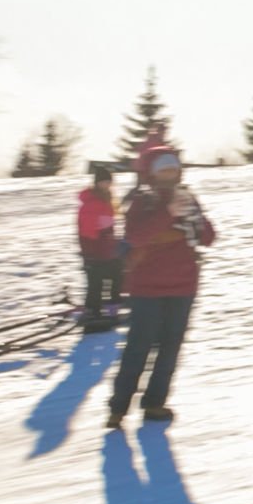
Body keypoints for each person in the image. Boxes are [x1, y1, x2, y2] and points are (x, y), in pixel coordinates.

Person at [107, 146, 215, 430]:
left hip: (183, 285)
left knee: (170, 347)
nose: (169, 174)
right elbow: (135, 236)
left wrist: (195, 219)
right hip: (148, 287)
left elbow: (208, 237)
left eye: (173, 169)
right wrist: (168, 213)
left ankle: (155, 403)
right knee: (138, 347)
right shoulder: (142, 201)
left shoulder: (188, 198)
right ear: (153, 173)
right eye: (164, 170)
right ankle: (118, 407)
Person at [76, 166, 122, 333]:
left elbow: (109, 225)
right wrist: (90, 252)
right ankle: (93, 312)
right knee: (96, 283)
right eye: (104, 181)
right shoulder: (92, 202)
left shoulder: (107, 198)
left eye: (109, 182)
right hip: (95, 250)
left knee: (116, 277)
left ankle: (111, 310)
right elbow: (87, 231)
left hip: (107, 248)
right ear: (97, 183)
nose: (107, 184)